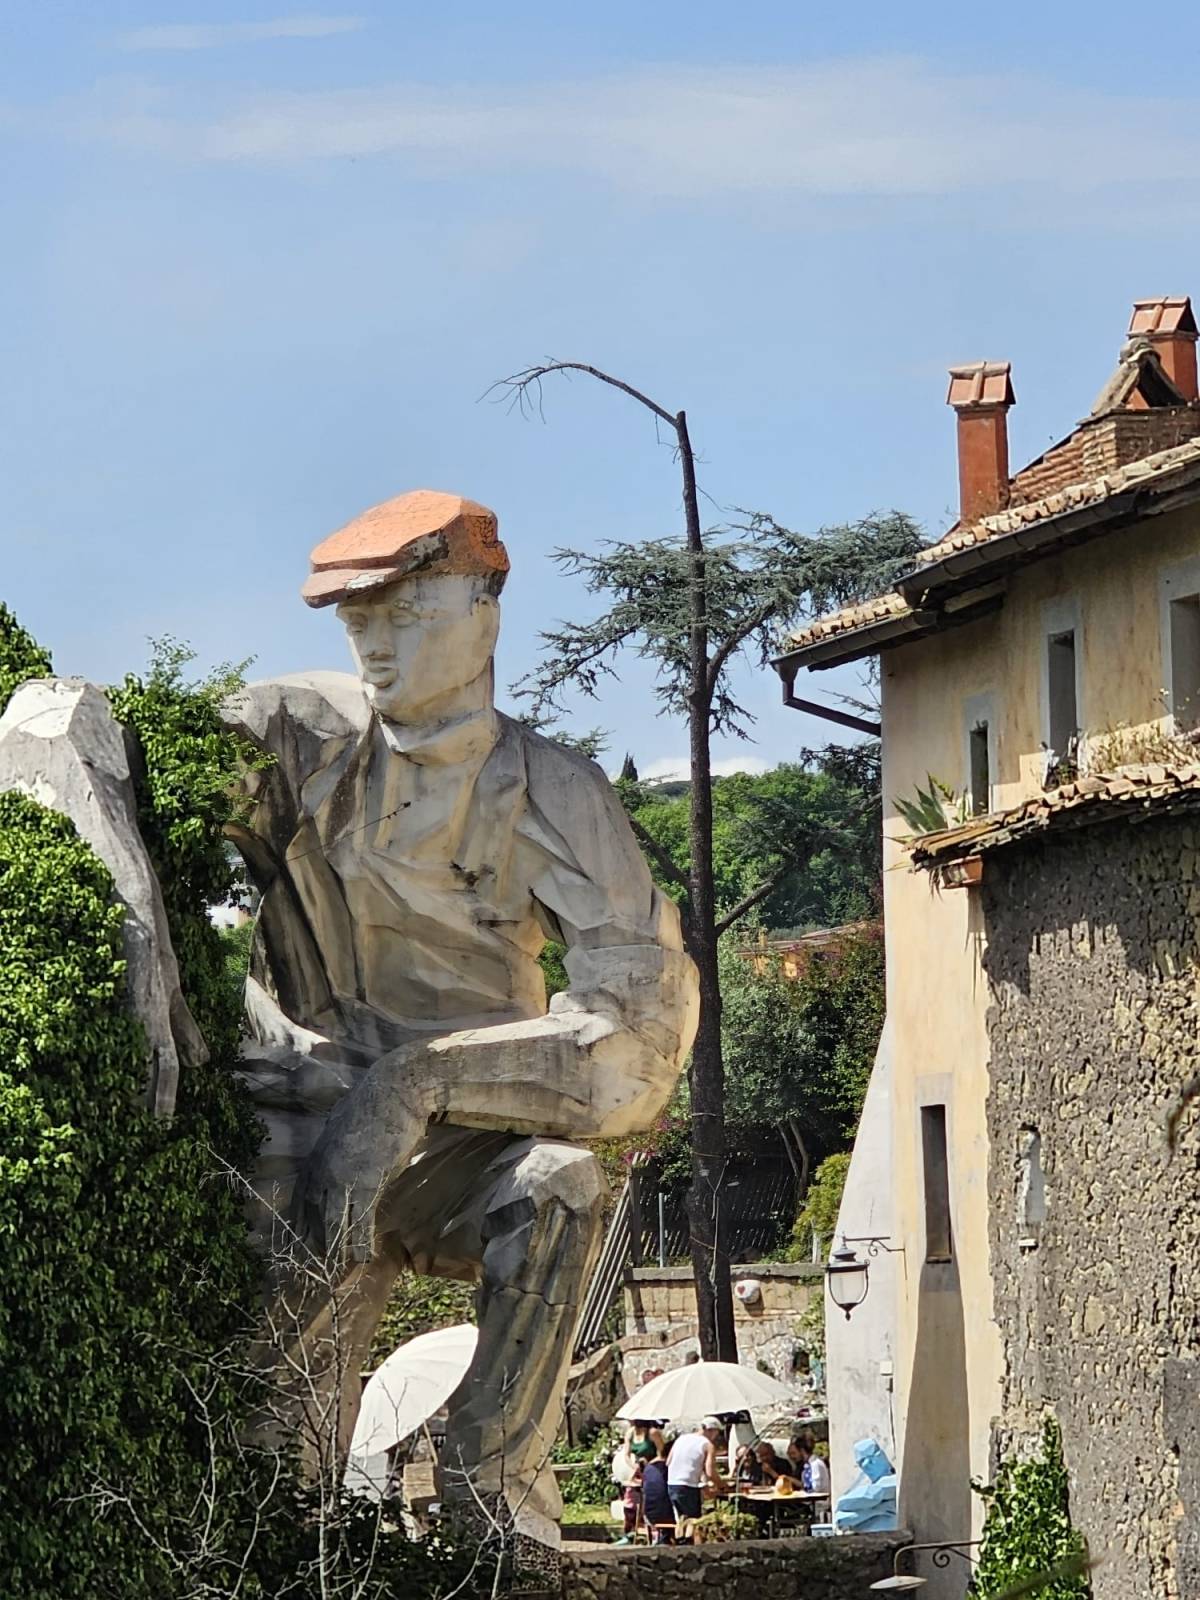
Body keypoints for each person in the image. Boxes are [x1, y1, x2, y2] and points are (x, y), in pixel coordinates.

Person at [223, 489, 700, 1553]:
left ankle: (494, 1488)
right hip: (293, 1135)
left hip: (459, 1152)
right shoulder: (298, 740)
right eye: (360, 623)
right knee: (261, 1457)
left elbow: (642, 1037)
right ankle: (271, 1534)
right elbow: (139, 767)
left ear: (486, 611)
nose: (377, 649)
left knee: (559, 1185)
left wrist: (420, 1081)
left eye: (409, 614)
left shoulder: (557, 794)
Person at [666, 1418, 728, 1524]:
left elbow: (668, 1462)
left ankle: (682, 1540)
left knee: (681, 1521)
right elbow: (710, 1472)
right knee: (694, 1523)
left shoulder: (681, 1438)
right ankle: (693, 1541)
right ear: (711, 1430)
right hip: (688, 1487)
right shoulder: (707, 1445)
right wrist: (722, 1485)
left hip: (672, 1484)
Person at [641, 1441, 675, 1544]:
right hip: (667, 1515)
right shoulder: (668, 1469)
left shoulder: (648, 1468)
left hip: (649, 1514)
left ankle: (664, 1538)